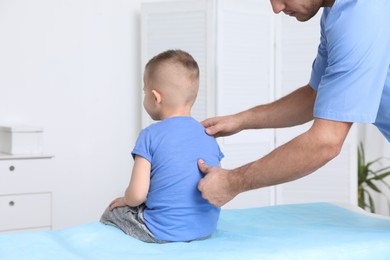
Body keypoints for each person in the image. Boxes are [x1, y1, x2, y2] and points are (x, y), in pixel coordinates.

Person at [197, 0, 390, 207]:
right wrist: (240, 121)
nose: (276, 7)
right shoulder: (334, 14)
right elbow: (315, 96)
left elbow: (325, 142)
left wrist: (232, 182)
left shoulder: (360, 16)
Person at [101, 50, 224, 243]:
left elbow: (137, 194)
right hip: (205, 227)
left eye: (144, 92)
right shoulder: (208, 135)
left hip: (161, 231)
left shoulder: (150, 135)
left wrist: (125, 201)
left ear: (155, 98)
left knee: (111, 213)